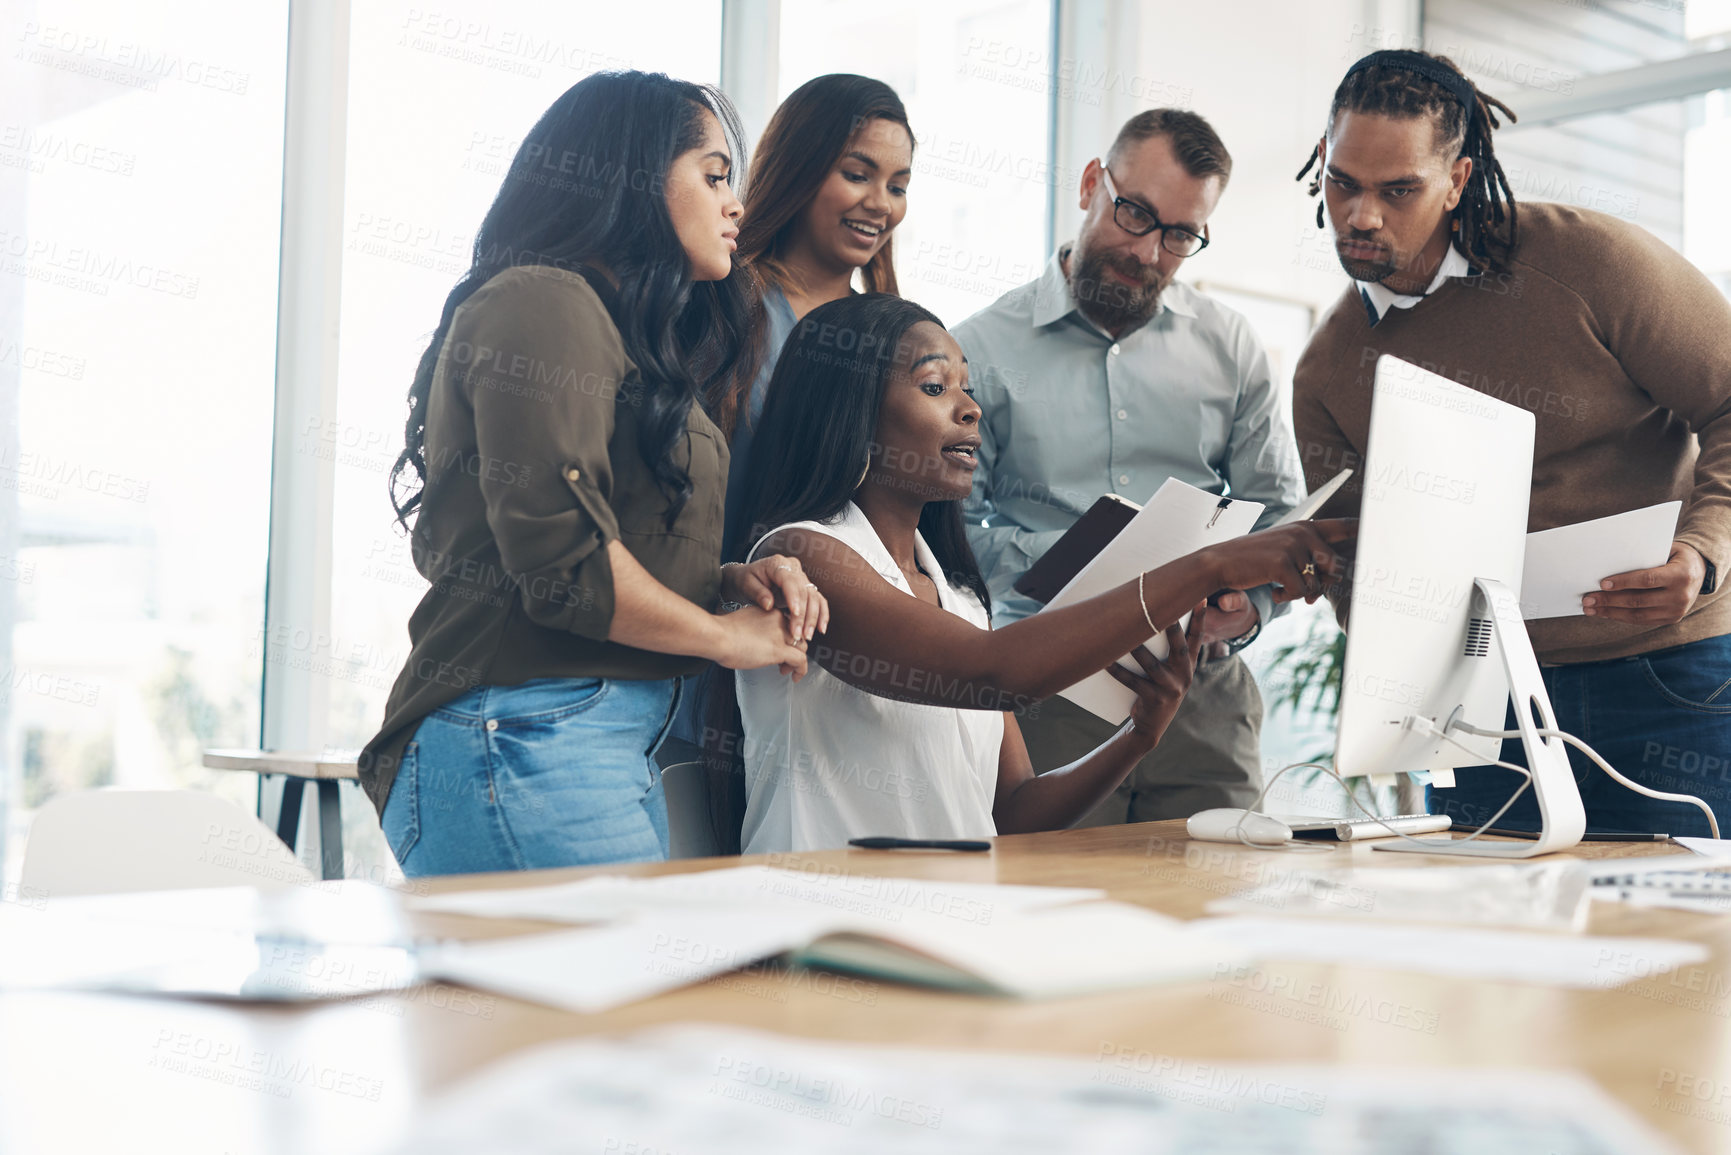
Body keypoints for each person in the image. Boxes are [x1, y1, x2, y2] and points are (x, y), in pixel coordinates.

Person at [358, 72, 828, 878]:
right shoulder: (544, 299)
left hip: (575, 735)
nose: (735, 204)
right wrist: (725, 639)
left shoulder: (607, 331)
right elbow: (565, 568)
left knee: (611, 1001)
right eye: (713, 175)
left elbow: (591, 547)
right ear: (631, 176)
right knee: (623, 1002)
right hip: (521, 732)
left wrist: (727, 581)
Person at [730, 293, 1352, 854]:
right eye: (934, 387)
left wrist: (1138, 735)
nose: (970, 409)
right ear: (851, 411)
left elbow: (1013, 811)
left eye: (967, 387)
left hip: (946, 928)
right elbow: (996, 675)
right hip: (825, 925)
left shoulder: (960, 599)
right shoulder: (806, 556)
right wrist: (1209, 566)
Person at [1291, 49, 1731, 836]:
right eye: (1342, 183)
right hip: (1479, 712)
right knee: (1489, 952)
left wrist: (1700, 554)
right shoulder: (1326, 372)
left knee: (1687, 947)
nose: (1360, 215)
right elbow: (1358, 574)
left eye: (1398, 191)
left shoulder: (1590, 263)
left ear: (1456, 180)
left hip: (1672, 674)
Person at [952, 109, 1306, 826]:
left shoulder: (1229, 345)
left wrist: (1249, 605)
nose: (1148, 252)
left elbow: (1277, 514)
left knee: (1216, 915)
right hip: (1049, 695)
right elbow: (949, 530)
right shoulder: (977, 349)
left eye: (1179, 235)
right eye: (1135, 214)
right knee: (1057, 918)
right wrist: (1084, 567)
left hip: (1203, 698)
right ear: (1091, 183)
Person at [662, 74, 913, 769]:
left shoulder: (895, 336)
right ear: (802, 169)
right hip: (720, 652)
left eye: (897, 184)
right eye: (856, 173)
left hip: (849, 663)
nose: (879, 204)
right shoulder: (723, 304)